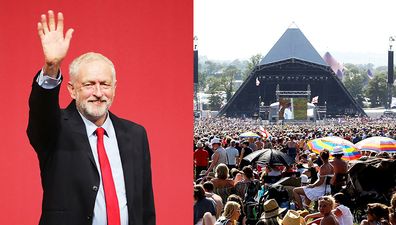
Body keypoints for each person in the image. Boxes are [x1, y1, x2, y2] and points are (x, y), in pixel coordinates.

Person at [27, 10, 155, 225]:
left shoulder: (135, 134)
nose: (98, 92)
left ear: (114, 88)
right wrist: (51, 67)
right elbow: (41, 112)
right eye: (88, 84)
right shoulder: (55, 129)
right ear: (72, 90)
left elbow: (145, 204)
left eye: (104, 84)